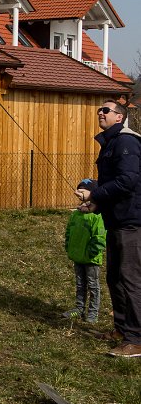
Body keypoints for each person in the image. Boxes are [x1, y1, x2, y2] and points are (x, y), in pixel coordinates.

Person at [76, 100, 141, 358]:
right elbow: (113, 184)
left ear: (119, 117)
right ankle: (122, 329)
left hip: (132, 222)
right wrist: (96, 205)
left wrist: (94, 193)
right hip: (116, 221)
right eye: (99, 110)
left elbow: (127, 181)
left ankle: (136, 339)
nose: (100, 113)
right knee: (114, 277)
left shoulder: (127, 142)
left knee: (131, 280)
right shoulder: (111, 143)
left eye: (106, 110)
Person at [62, 178, 106, 323]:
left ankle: (92, 313)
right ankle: (79, 309)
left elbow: (100, 238)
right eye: (78, 190)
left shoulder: (97, 216)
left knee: (93, 285)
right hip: (77, 256)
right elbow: (69, 232)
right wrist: (69, 246)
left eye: (82, 191)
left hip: (91, 259)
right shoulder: (76, 214)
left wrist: (92, 252)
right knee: (80, 284)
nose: (78, 194)